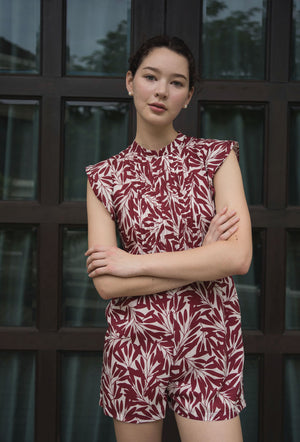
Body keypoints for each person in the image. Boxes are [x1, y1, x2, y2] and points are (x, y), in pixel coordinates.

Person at [85, 35, 252, 442]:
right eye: (150, 77)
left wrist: (135, 262)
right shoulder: (103, 177)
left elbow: (238, 259)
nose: (161, 90)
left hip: (209, 340)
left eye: (176, 82)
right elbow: (107, 283)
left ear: (189, 95)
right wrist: (203, 258)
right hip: (135, 345)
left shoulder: (217, 158)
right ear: (129, 82)